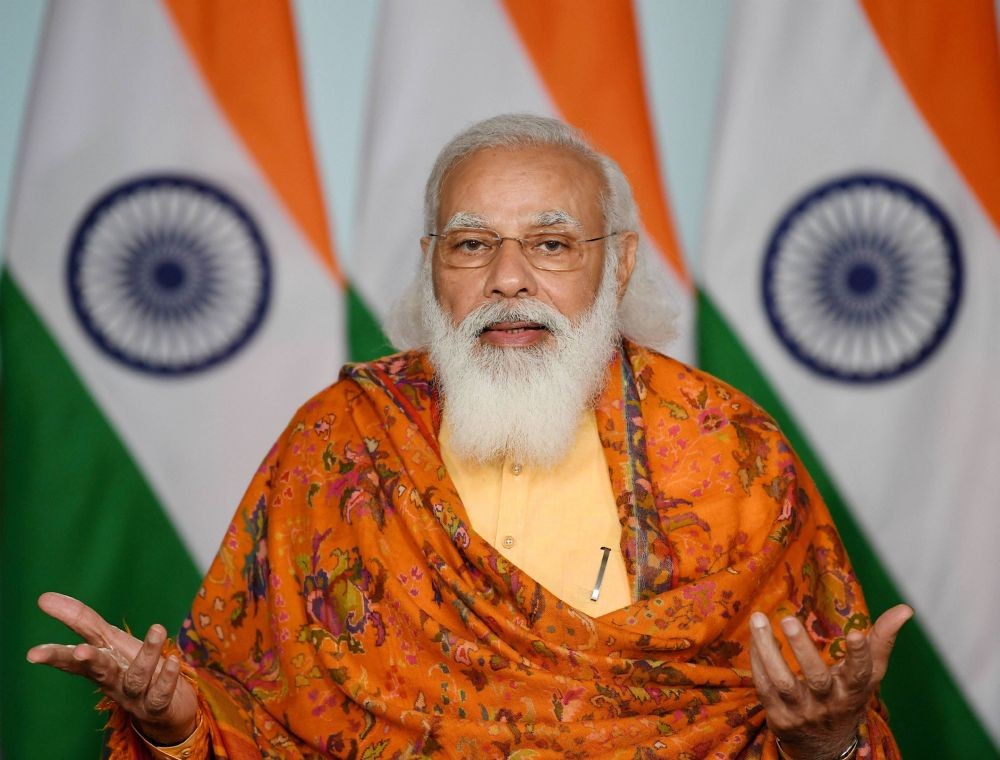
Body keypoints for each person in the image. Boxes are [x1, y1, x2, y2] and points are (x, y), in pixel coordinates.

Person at [29, 114, 911, 759]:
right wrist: (174, 724)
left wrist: (828, 742)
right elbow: (251, 719)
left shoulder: (729, 452)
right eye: (472, 244)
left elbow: (825, 723)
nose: (509, 279)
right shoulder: (340, 443)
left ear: (622, 261)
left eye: (553, 244)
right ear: (433, 266)